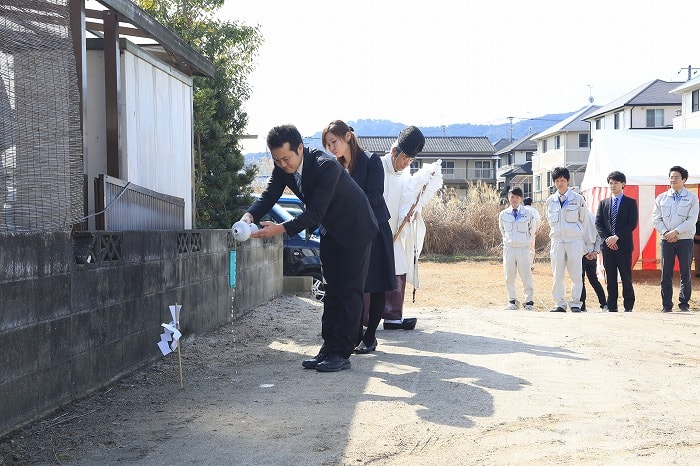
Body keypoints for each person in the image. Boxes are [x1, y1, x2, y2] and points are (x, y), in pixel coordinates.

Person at [241, 124, 378, 371]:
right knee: (331, 289)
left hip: (355, 228)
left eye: (286, 158)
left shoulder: (326, 165)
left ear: (300, 148)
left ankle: (342, 353)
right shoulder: (283, 168)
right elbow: (268, 196)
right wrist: (248, 218)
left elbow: (314, 213)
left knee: (349, 290)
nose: (283, 164)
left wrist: (278, 229)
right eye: (277, 160)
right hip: (331, 231)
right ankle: (328, 347)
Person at [322, 120, 396, 354]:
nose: (331, 148)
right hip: (349, 232)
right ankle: (355, 335)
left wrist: (348, 194)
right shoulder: (334, 166)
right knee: (351, 284)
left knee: (375, 284)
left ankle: (371, 337)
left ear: (347, 137)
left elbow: (375, 195)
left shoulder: (371, 161)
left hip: (374, 228)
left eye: (334, 142)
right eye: (327, 145)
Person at [381, 126, 425, 330]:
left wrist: (413, 213)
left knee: (399, 268)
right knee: (370, 275)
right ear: (394, 152)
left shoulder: (407, 174)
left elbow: (408, 200)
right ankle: (363, 320)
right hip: (375, 233)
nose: (407, 163)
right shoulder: (377, 167)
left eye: (410, 161)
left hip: (396, 232)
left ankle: (393, 317)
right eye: (405, 159)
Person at [545, 166, 595, 313]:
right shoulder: (550, 201)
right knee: (557, 275)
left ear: (568, 181)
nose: (560, 183)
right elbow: (549, 221)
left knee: (576, 274)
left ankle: (575, 303)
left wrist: (586, 243)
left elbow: (584, 221)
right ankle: (559, 304)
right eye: (557, 181)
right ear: (554, 182)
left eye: (563, 180)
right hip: (557, 242)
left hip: (574, 241)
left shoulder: (578, 199)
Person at [651, 165, 699, 312]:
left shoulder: (691, 198)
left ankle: (684, 303)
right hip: (666, 240)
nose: (673, 180)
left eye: (676, 177)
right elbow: (655, 219)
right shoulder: (661, 198)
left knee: (685, 272)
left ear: (684, 179)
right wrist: (667, 233)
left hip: (685, 240)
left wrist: (676, 232)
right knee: (666, 273)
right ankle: (666, 305)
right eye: (671, 177)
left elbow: (692, 219)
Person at [595, 171, 639, 312]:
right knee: (610, 277)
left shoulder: (630, 203)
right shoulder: (603, 203)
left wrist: (617, 237)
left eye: (616, 183)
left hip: (624, 245)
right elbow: (598, 223)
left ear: (623, 184)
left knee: (626, 277)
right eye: (611, 183)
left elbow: (632, 223)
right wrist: (608, 239)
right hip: (608, 247)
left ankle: (628, 306)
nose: (613, 185)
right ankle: (612, 306)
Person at [498, 187, 536, 310]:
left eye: (517, 197)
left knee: (526, 275)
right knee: (509, 276)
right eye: (512, 197)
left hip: (523, 248)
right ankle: (512, 301)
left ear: (521, 198)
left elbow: (532, 229)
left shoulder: (528, 213)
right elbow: (502, 230)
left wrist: (524, 240)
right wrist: (509, 241)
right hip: (509, 248)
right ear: (508, 197)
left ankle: (529, 302)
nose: (514, 199)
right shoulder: (503, 214)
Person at [580, 209, 606, 312]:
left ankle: (582, 307)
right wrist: (595, 251)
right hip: (592, 251)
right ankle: (604, 303)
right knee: (594, 280)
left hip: (582, 252)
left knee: (580, 280)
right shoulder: (593, 217)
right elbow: (599, 236)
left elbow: (578, 237)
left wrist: (586, 252)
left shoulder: (578, 219)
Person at [523, 196, 540, 270]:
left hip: (521, 232)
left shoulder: (521, 210)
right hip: (531, 232)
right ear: (531, 203)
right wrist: (536, 229)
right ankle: (529, 265)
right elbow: (537, 221)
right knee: (531, 249)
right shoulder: (534, 211)